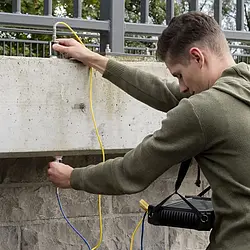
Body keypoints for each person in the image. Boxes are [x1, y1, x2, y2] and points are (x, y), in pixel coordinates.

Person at [47, 11, 250, 250]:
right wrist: (95, 60)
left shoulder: (204, 110)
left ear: (197, 57)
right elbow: (162, 91)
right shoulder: (240, 88)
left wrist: (72, 177)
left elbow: (131, 172)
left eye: (180, 75)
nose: (182, 87)